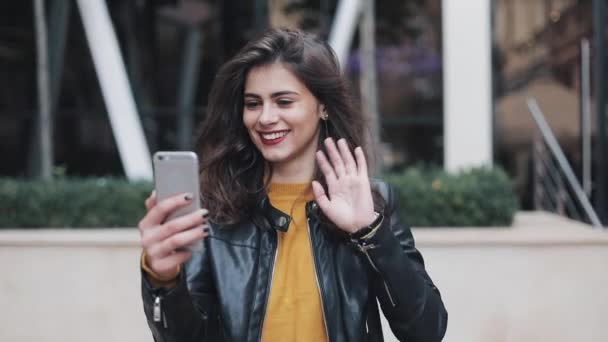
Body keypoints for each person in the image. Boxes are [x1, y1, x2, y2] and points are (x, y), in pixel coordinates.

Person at [139, 28, 447, 342]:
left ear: (322, 106)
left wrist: (370, 232)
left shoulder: (372, 200)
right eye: (253, 103)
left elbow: (427, 331)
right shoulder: (216, 208)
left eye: (284, 101)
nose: (265, 118)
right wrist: (163, 281)